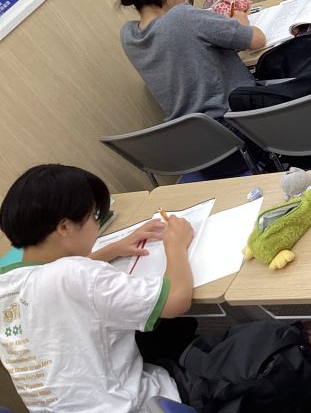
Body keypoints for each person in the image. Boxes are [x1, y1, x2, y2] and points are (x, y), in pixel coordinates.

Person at [0, 164, 195, 412]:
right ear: (64, 227)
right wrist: (176, 244)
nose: (97, 223)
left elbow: (48, 281)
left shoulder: (7, 282)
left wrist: (112, 249)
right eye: (94, 217)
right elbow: (176, 301)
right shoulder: (76, 274)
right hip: (140, 404)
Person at [119, 0, 266, 122]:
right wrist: (241, 22)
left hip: (197, 131)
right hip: (239, 118)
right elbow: (258, 40)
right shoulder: (181, 16)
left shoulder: (129, 36)